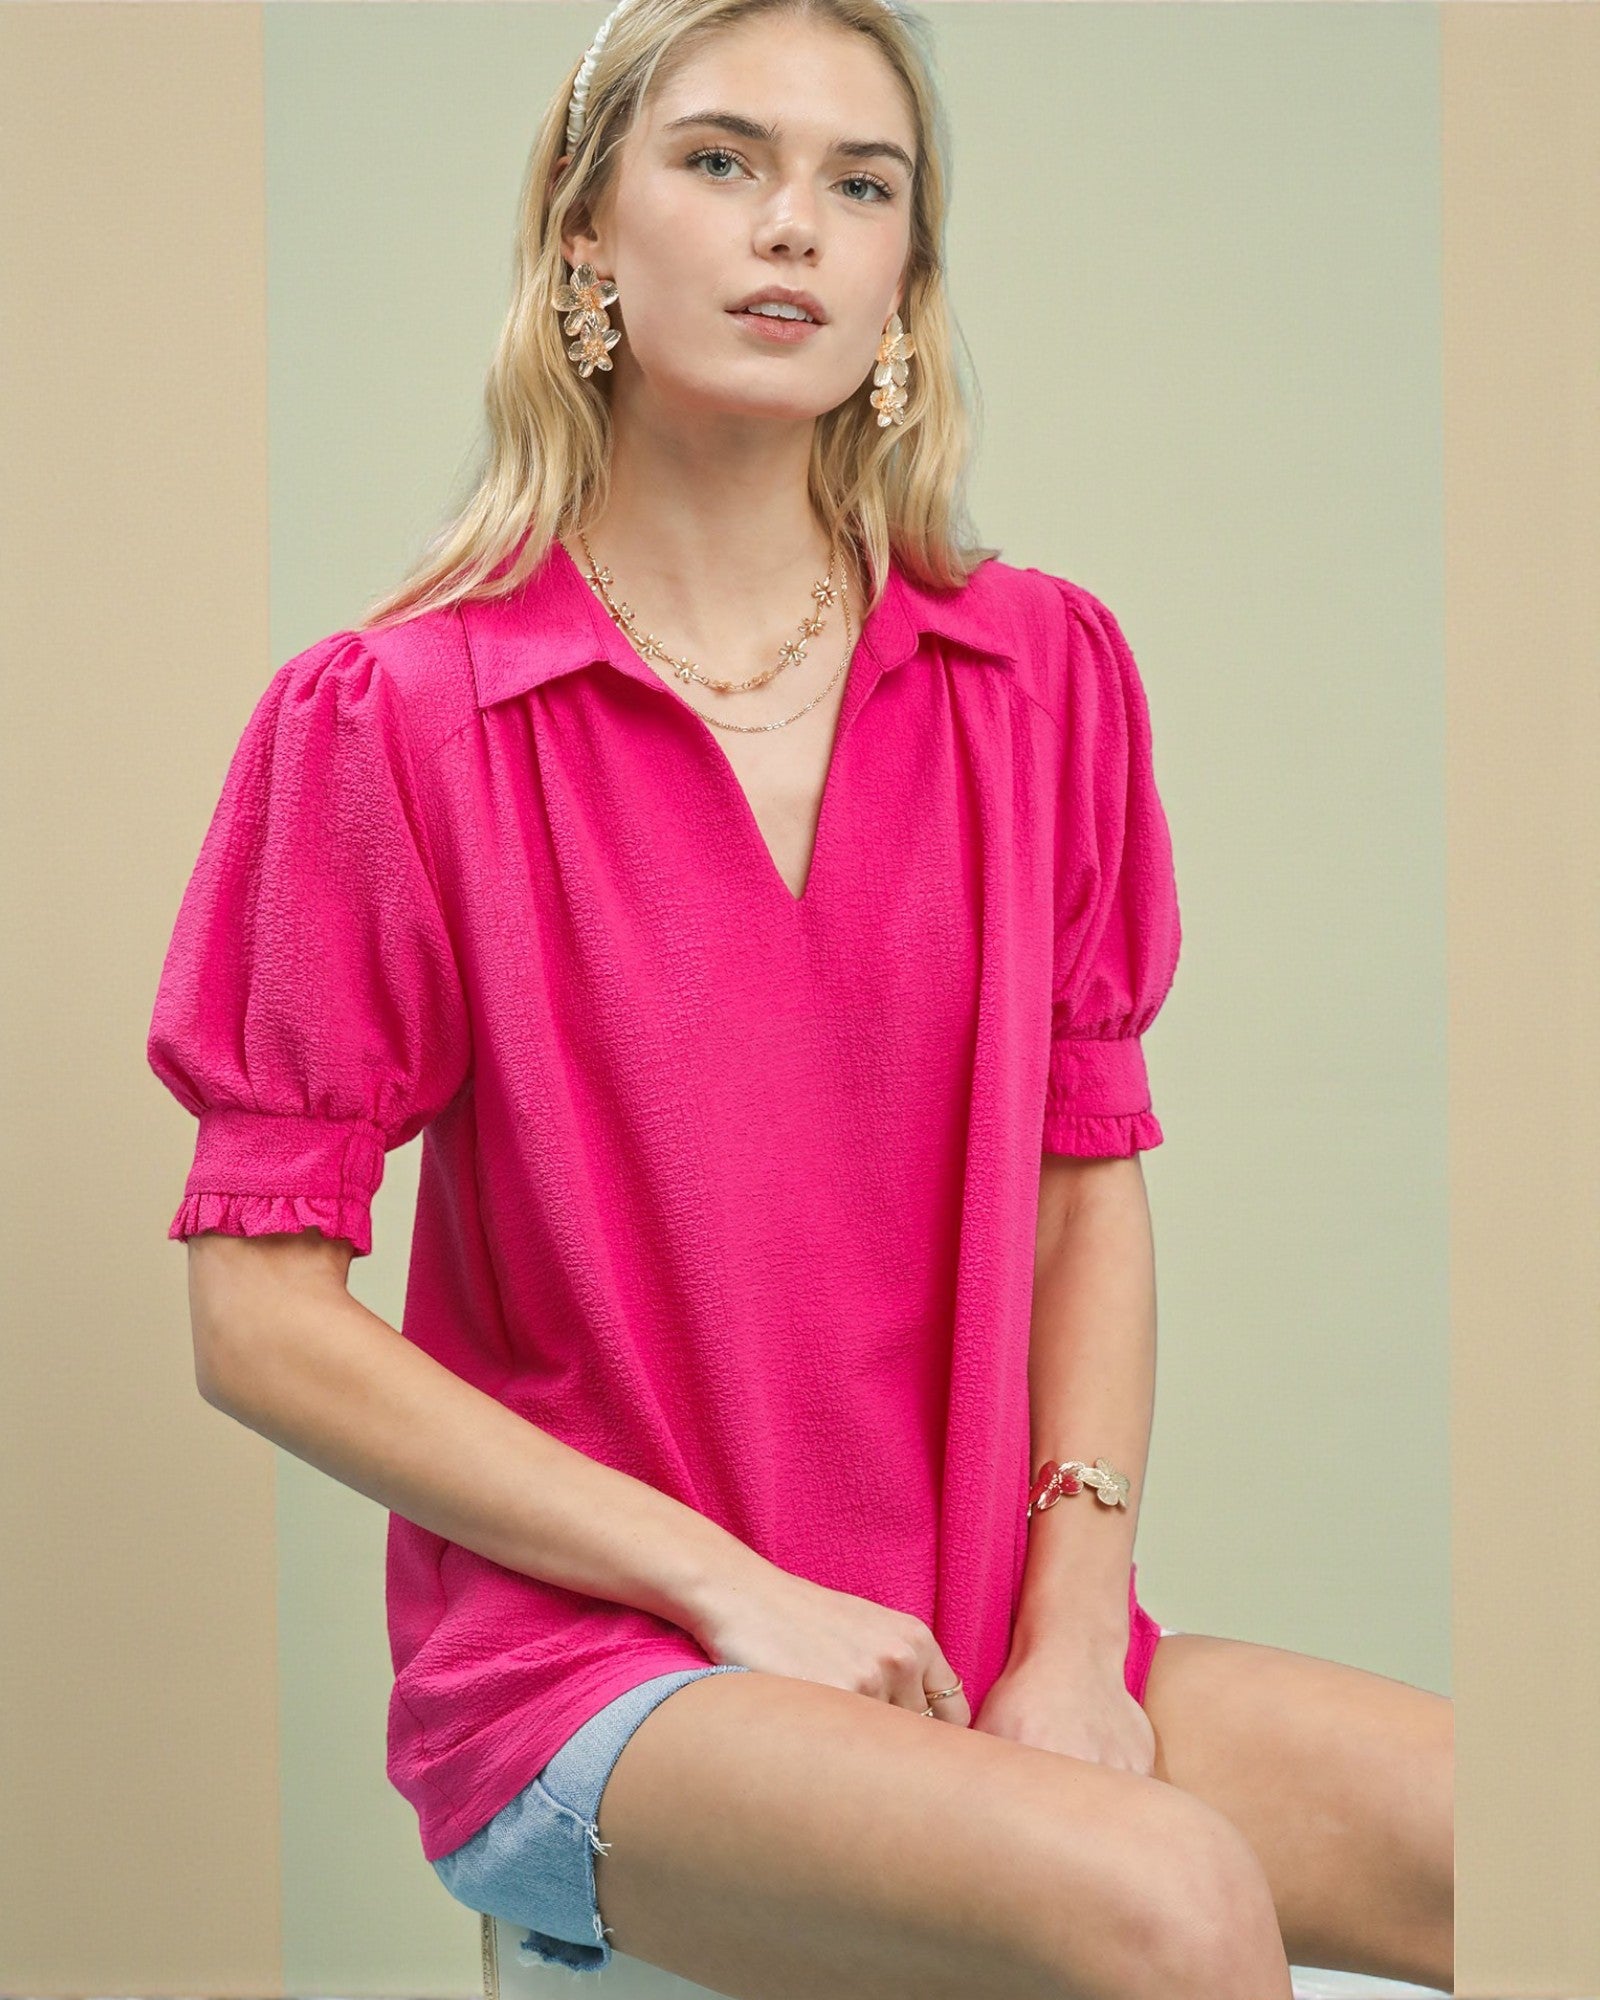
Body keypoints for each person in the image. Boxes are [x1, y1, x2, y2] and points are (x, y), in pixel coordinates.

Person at [145, 0, 1453, 1994]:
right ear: (582, 235)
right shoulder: (395, 724)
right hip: (604, 1671)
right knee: (1165, 1901)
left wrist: (1063, 1630)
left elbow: (1084, 1174)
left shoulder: (1040, 676)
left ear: (903, 281)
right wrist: (724, 1586)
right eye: (720, 162)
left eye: (861, 188)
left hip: (978, 1625)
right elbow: (255, 1320)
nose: (793, 231)